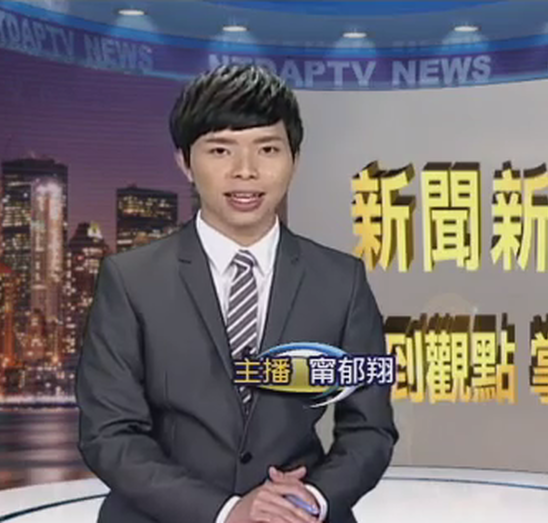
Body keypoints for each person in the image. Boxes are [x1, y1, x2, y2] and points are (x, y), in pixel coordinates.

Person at [75, 64, 398, 523]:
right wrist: (226, 512)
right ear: (185, 161)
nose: (246, 171)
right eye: (220, 150)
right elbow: (108, 434)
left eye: (268, 149)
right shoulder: (130, 280)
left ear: (295, 159)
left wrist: (312, 498)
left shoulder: (341, 280)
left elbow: (371, 429)